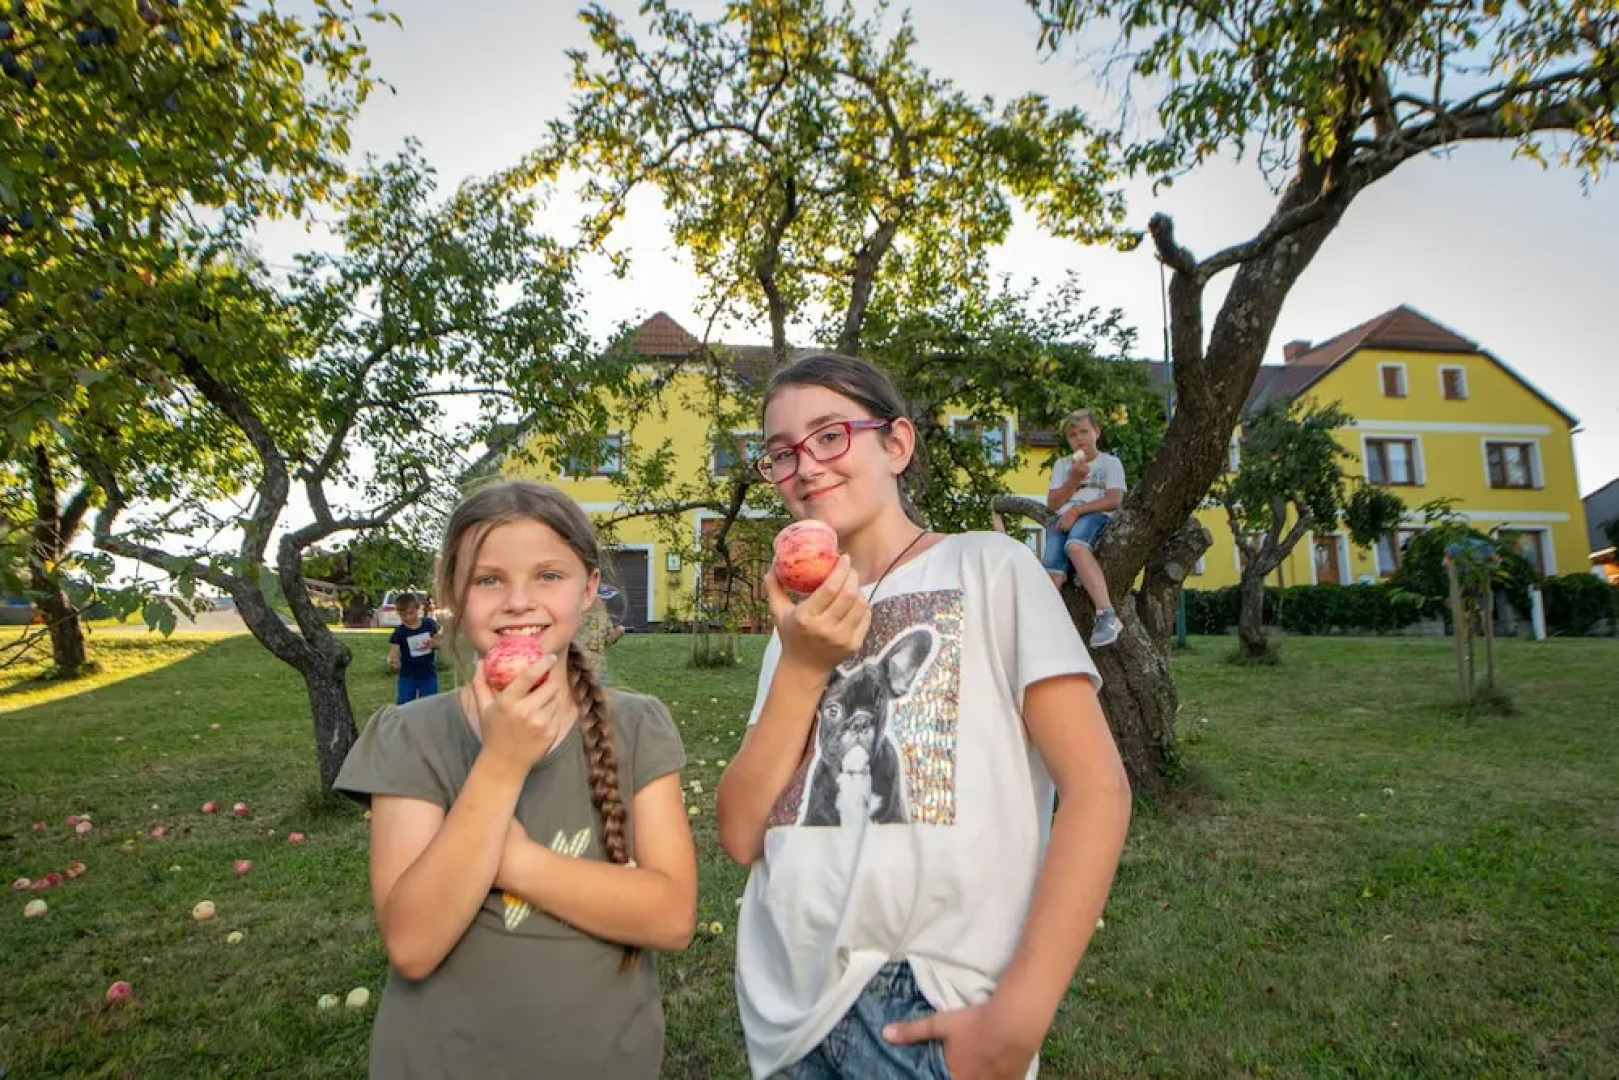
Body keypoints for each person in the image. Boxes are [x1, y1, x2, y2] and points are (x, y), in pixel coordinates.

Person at [715, 355, 1133, 1080]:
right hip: (789, 1001)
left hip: (929, 1001)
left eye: (829, 436)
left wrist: (1020, 1015)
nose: (804, 466)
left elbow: (1098, 790)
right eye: (780, 453)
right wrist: (802, 667)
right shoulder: (796, 630)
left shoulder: (989, 568)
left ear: (896, 445)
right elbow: (741, 831)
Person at [334, 481, 698, 1079]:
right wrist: (501, 764)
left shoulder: (637, 727)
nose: (518, 601)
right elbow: (413, 944)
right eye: (488, 579)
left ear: (587, 589)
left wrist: (516, 862)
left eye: (548, 575)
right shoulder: (409, 737)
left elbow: (671, 917)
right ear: (452, 593)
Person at [1041, 409, 1127, 648]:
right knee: (1052, 575)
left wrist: (1076, 511)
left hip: (1093, 514)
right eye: (1072, 435)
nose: (1079, 439)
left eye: (1084, 432)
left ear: (1096, 433)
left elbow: (1114, 499)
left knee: (1076, 546)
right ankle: (1045, 631)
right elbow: (1053, 502)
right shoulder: (1062, 465)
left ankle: (1107, 615)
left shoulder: (1110, 463)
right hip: (1061, 520)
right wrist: (1074, 480)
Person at [387, 592, 443, 704]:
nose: (408, 618)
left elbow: (441, 639)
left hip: (428, 674)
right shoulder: (399, 632)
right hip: (407, 676)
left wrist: (434, 643)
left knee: (430, 704)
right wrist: (394, 660)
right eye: (403, 615)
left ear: (418, 609)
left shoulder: (429, 625)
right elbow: (394, 651)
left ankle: (427, 721)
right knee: (404, 705)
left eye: (411, 613)